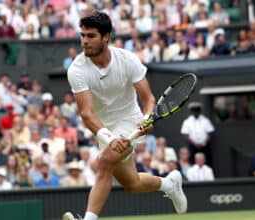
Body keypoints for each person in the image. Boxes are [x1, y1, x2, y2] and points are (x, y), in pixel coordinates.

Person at [63, 11, 187, 220]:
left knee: (103, 163)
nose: (84, 41)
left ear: (106, 37)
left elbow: (148, 98)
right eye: (82, 35)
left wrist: (147, 118)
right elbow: (86, 114)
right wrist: (109, 138)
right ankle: (169, 184)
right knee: (132, 184)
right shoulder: (76, 70)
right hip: (104, 127)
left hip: (130, 120)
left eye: (91, 36)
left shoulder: (128, 59)